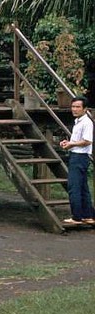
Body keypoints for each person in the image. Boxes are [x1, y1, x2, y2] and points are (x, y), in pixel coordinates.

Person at [59, 96, 94, 226]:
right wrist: (68, 143)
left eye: (78, 107)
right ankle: (88, 215)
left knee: (74, 187)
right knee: (83, 187)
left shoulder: (86, 122)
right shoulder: (78, 121)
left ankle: (76, 217)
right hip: (77, 155)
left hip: (79, 157)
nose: (75, 109)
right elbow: (79, 140)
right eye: (73, 106)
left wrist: (71, 145)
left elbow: (87, 140)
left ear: (85, 109)